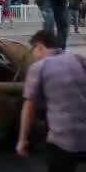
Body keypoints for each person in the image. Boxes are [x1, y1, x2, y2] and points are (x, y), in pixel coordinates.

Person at [17, 30, 86, 172]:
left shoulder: (39, 67)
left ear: (40, 47)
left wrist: (22, 139)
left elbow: (29, 107)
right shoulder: (78, 58)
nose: (33, 56)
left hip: (62, 139)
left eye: (33, 50)